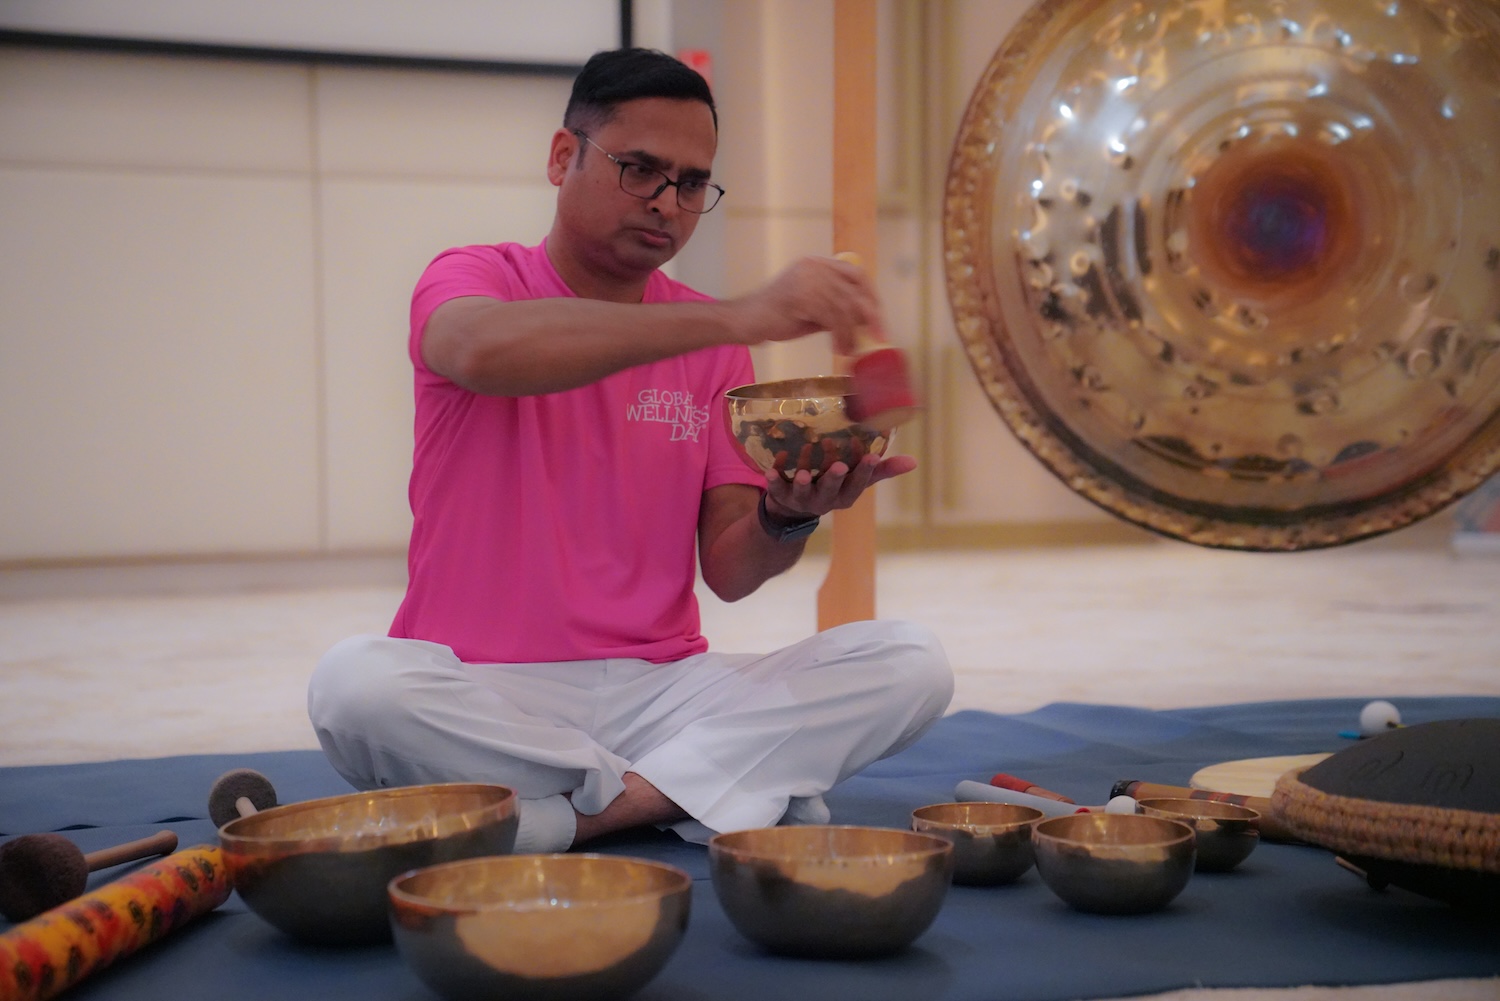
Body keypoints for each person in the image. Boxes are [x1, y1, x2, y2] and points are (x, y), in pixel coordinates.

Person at [307, 47, 953, 853]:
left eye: (690, 184)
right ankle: (711, 788)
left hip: (660, 690)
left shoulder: (716, 342)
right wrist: (741, 315)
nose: (666, 203)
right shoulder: (477, 277)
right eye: (639, 169)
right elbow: (476, 350)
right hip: (482, 687)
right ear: (560, 157)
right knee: (355, 687)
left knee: (910, 661)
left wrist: (786, 517)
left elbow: (729, 568)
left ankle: (574, 813)